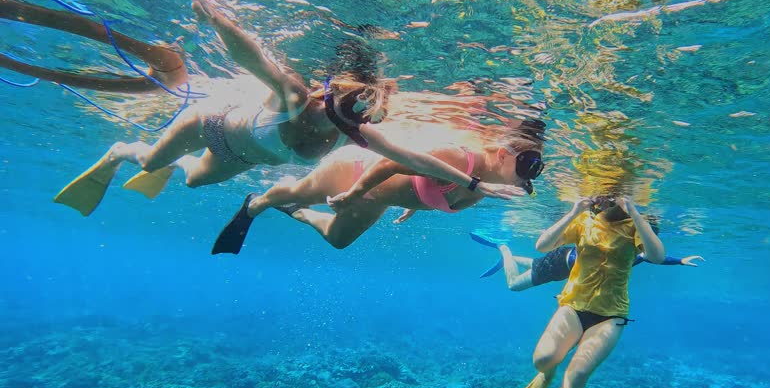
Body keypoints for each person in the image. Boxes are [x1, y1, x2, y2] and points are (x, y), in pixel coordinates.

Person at [53, 0, 524, 216]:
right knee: (154, 160)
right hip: (211, 124)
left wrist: (473, 183)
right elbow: (249, 55)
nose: (352, 110)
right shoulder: (295, 97)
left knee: (194, 181)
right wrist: (209, 9)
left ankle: (160, 160)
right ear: (328, 90)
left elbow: (417, 161)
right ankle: (121, 151)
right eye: (346, 98)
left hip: (242, 157)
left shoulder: (359, 131)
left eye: (362, 105)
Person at [211, 126, 544, 253]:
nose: (526, 180)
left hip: (376, 197)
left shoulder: (483, 190)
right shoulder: (461, 159)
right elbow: (389, 165)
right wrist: (352, 194)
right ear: (502, 154)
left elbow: (431, 184)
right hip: (356, 172)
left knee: (337, 241)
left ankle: (296, 213)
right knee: (297, 190)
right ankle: (257, 203)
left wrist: (414, 203)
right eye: (527, 167)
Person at [496, 195, 665, 388]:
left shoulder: (635, 226)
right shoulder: (585, 220)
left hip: (610, 314)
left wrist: (635, 213)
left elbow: (657, 256)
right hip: (573, 305)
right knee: (543, 360)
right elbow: (542, 246)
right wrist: (574, 211)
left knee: (577, 374)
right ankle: (546, 374)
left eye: (615, 195)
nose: (609, 199)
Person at [470, 227, 703, 291]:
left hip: (562, 263)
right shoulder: (620, 250)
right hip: (559, 265)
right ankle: (504, 249)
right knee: (513, 285)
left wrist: (680, 261)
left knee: (534, 264)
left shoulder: (636, 254)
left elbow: (654, 257)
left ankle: (511, 258)